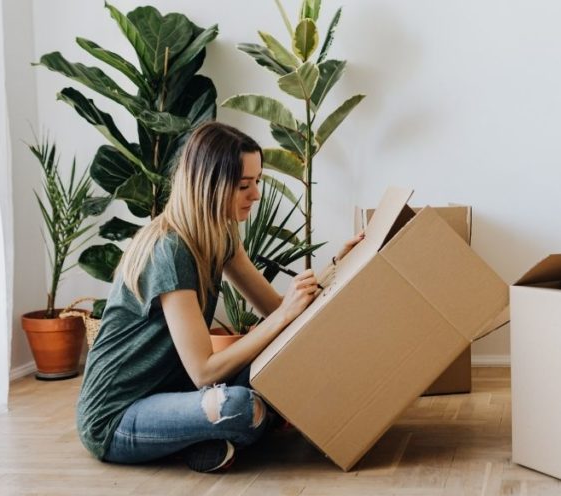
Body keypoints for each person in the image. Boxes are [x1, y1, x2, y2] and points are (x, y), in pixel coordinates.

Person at [76, 122, 363, 473]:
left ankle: (208, 438)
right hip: (117, 417)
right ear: (209, 185)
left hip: (174, 394)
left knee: (280, 364)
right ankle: (215, 430)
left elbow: (278, 309)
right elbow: (203, 371)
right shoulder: (170, 248)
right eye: (244, 185)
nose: (255, 194)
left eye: (257, 182)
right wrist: (282, 316)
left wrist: (337, 266)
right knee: (241, 406)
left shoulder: (220, 234)